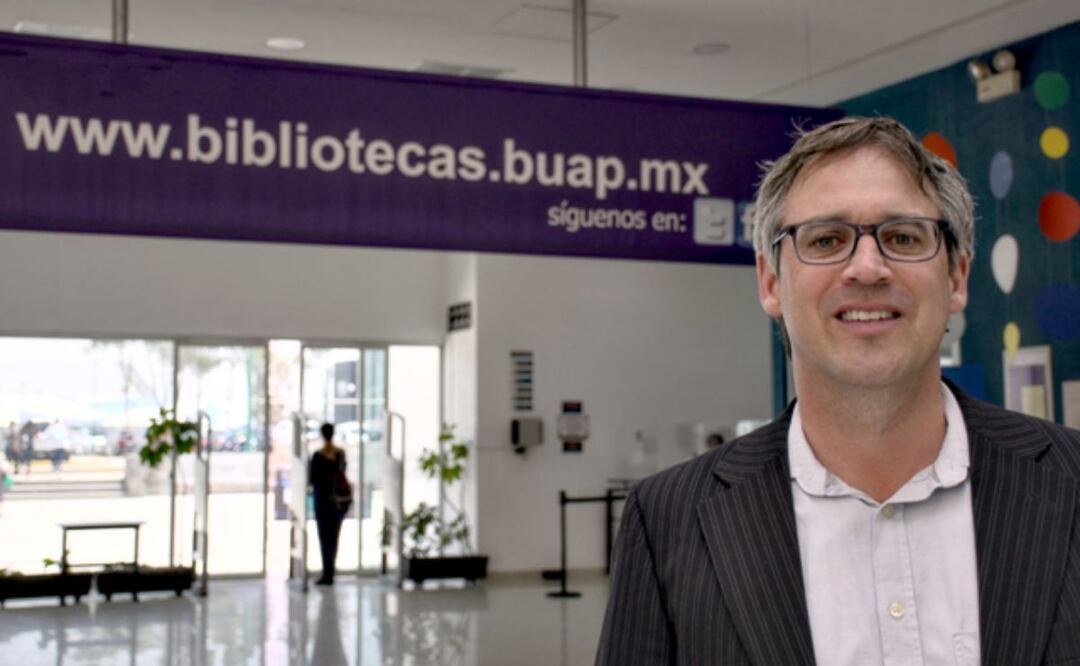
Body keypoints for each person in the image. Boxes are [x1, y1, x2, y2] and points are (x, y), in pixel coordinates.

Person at [596, 117, 1080, 665]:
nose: (867, 268)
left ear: (958, 277)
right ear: (771, 282)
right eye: (826, 240)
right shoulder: (667, 521)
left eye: (902, 237)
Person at [309, 422, 348, 586]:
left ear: (322, 435)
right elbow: (342, 472)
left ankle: (328, 572)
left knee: (324, 537)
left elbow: (312, 479)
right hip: (339, 501)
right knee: (334, 536)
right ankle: (330, 570)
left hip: (323, 501)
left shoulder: (318, 456)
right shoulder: (340, 453)